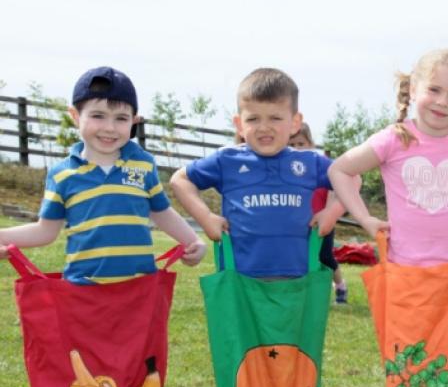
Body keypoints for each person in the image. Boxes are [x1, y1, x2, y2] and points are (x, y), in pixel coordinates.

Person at [0, 66, 206, 281]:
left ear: (134, 121)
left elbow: (161, 213)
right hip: (83, 289)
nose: (110, 127)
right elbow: (46, 231)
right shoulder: (62, 175)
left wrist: (193, 241)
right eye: (98, 116)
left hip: (140, 288)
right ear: (75, 116)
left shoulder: (143, 165)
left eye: (121, 118)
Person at [328, 48, 448, 266]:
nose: (442, 101)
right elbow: (340, 170)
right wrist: (365, 219)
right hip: (405, 268)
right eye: (434, 89)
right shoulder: (392, 139)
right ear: (412, 90)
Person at [170, 68, 344, 278]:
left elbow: (351, 177)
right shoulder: (227, 160)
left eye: (275, 118)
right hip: (240, 280)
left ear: (295, 123)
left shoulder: (310, 161)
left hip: (298, 280)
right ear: (239, 125)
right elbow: (180, 180)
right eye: (253, 119)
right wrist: (206, 218)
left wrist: (332, 213)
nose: (264, 127)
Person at [288, 123, 348, 303]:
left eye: (301, 144)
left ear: (310, 143)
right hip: (300, 222)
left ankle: (340, 286)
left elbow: (334, 189)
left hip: (322, 220)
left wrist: (329, 212)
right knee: (302, 257)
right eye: (292, 144)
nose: (296, 149)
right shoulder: (287, 168)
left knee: (325, 256)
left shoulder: (317, 164)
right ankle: (307, 293)